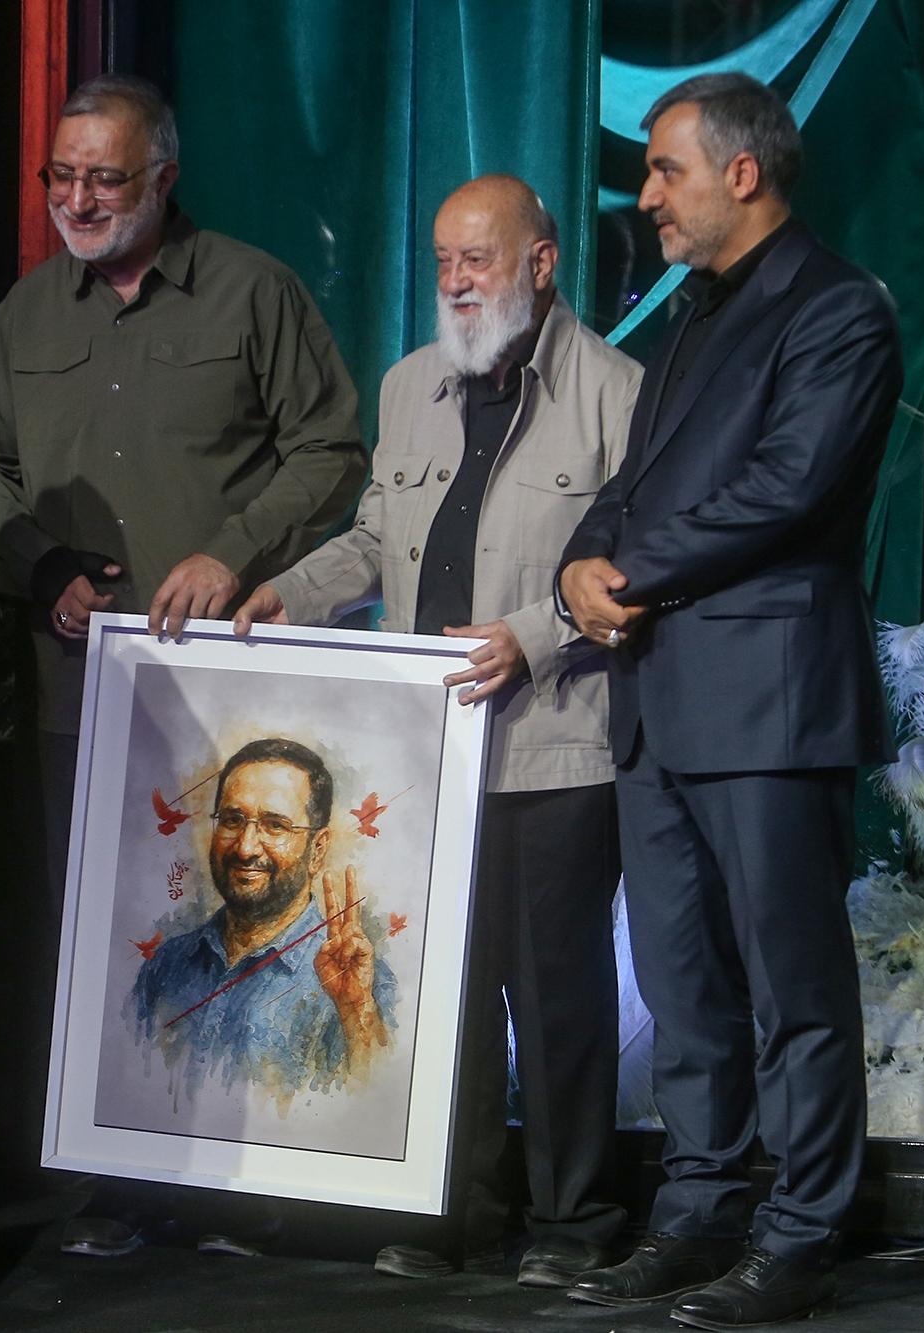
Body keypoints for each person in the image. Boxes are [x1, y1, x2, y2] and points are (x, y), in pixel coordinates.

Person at [0, 71, 364, 1260]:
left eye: (105, 179)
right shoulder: (29, 311)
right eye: (61, 177)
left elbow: (330, 447)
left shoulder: (250, 290)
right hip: (81, 690)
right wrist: (33, 563)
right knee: (103, 935)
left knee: (243, 922)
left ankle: (253, 1177)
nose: (77, 199)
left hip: (227, 697)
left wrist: (231, 551)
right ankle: (123, 1180)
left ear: (163, 179)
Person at [235, 174, 638, 1288]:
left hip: (554, 746)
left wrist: (530, 636)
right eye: (443, 261)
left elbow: (631, 570)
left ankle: (573, 1222)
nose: (455, 281)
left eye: (478, 259)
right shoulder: (410, 384)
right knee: (436, 994)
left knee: (553, 1000)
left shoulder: (616, 393)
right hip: (427, 752)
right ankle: (453, 1212)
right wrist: (290, 592)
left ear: (541, 264)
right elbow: (376, 537)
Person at [555, 73, 901, 1329]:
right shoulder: (691, 316)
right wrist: (576, 565)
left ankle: (798, 1232)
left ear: (739, 174)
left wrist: (628, 573)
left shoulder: (837, 307)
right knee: (682, 984)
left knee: (789, 985)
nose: (646, 195)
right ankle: (695, 1210)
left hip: (765, 701)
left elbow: (785, 486)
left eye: (665, 170)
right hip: (657, 701)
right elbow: (627, 485)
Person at [129, 738, 390, 1096]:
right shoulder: (164, 967)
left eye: (275, 825)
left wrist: (356, 1012)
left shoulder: (363, 985)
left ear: (318, 849)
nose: (246, 847)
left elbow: (378, 1103)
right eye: (232, 820)